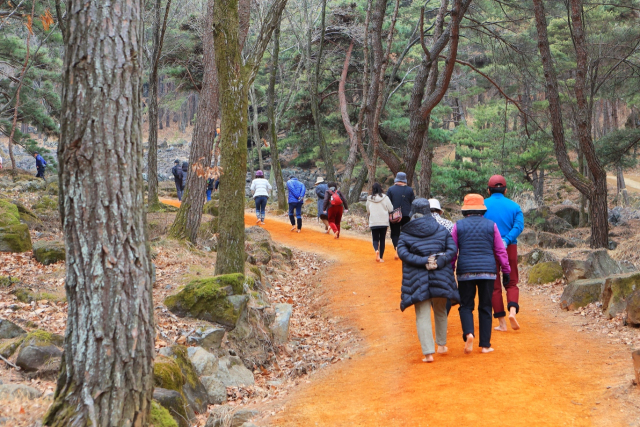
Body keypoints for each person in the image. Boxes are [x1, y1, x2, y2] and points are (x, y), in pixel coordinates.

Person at [397, 198, 459, 363]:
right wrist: (439, 261)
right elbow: (452, 248)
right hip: (440, 274)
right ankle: (442, 345)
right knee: (440, 310)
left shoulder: (406, 231)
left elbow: (402, 253)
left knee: (422, 314)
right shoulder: (440, 228)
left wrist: (422, 261)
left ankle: (428, 353)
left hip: (417, 278)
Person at [451, 194, 510, 354]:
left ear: (465, 210)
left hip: (465, 272)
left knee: (466, 306)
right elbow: (500, 250)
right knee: (485, 307)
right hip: (488, 272)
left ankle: (469, 333)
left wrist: (450, 270)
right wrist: (506, 270)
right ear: (482, 209)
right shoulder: (492, 226)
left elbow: (452, 251)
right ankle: (485, 345)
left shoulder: (458, 226)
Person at [484, 175, 524, 331]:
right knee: (512, 281)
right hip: (509, 247)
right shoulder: (515, 206)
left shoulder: (483, 206)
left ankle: (501, 323)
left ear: (489, 190)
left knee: (494, 286)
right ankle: (512, 311)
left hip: (489, 248)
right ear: (506, 190)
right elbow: (519, 226)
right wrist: (506, 239)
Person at [387, 172, 415, 259]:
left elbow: (387, 203)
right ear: (404, 180)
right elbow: (413, 203)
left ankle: (397, 249)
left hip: (394, 214)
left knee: (395, 233)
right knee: (405, 233)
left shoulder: (391, 189)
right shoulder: (410, 190)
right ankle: (405, 251)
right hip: (406, 215)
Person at [366, 183, 394, 262]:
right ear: (381, 188)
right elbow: (391, 209)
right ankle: (381, 257)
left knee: (375, 239)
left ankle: (376, 250)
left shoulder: (369, 199)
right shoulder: (385, 198)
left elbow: (368, 210)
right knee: (382, 239)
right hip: (383, 221)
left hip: (373, 221)